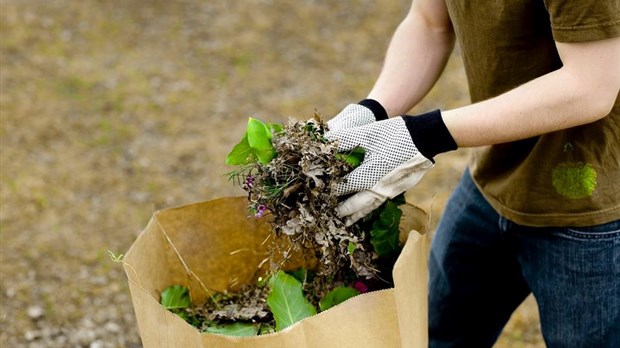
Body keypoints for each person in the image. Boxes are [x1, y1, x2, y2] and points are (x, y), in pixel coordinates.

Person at [324, 0, 620, 347]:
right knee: (436, 334)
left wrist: (426, 133)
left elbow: (590, 87)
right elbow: (429, 23)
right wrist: (372, 110)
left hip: (591, 213)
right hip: (492, 178)